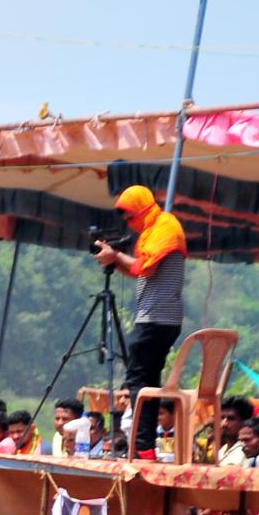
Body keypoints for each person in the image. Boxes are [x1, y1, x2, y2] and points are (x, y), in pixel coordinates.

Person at [94, 184, 186, 456]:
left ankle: (143, 445)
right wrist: (114, 260)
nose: (129, 224)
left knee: (137, 382)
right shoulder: (152, 231)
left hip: (157, 318)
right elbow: (139, 272)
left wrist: (116, 256)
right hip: (157, 318)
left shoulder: (165, 227)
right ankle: (145, 448)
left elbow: (147, 266)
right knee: (148, 382)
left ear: (143, 208)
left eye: (130, 216)